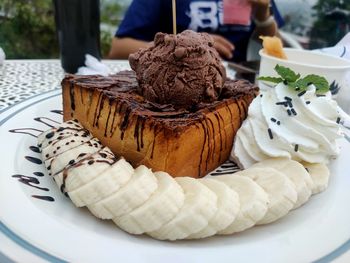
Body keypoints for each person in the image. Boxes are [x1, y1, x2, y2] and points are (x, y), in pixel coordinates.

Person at [108, 0, 284, 62]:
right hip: (177, 76)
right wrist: (190, 44)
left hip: (238, 85)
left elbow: (277, 51)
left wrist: (263, 16)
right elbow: (118, 48)